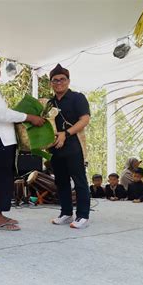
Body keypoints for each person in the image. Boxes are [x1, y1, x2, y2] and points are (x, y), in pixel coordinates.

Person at [0, 53, 44, 231]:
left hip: (4, 141)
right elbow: (2, 114)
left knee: (5, 178)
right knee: (0, 179)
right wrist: (29, 117)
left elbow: (4, 113)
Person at [48, 64, 91, 229]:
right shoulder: (49, 102)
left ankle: (83, 215)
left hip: (73, 144)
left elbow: (84, 120)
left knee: (79, 180)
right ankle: (66, 212)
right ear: (51, 83)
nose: (59, 82)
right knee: (61, 181)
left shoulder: (77, 98)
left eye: (62, 79)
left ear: (68, 81)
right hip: (55, 146)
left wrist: (66, 133)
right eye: (55, 80)